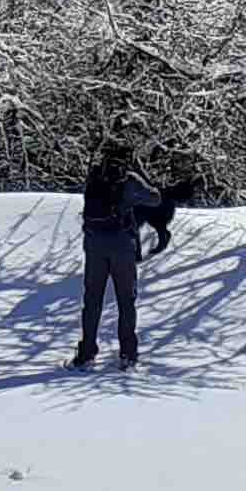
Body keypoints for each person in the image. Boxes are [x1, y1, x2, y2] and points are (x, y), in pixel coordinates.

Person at [73, 142, 168, 369]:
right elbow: (156, 198)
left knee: (92, 300)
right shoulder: (130, 179)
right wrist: (140, 173)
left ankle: (86, 354)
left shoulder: (94, 176)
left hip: (94, 246)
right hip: (122, 247)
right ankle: (128, 354)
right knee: (126, 301)